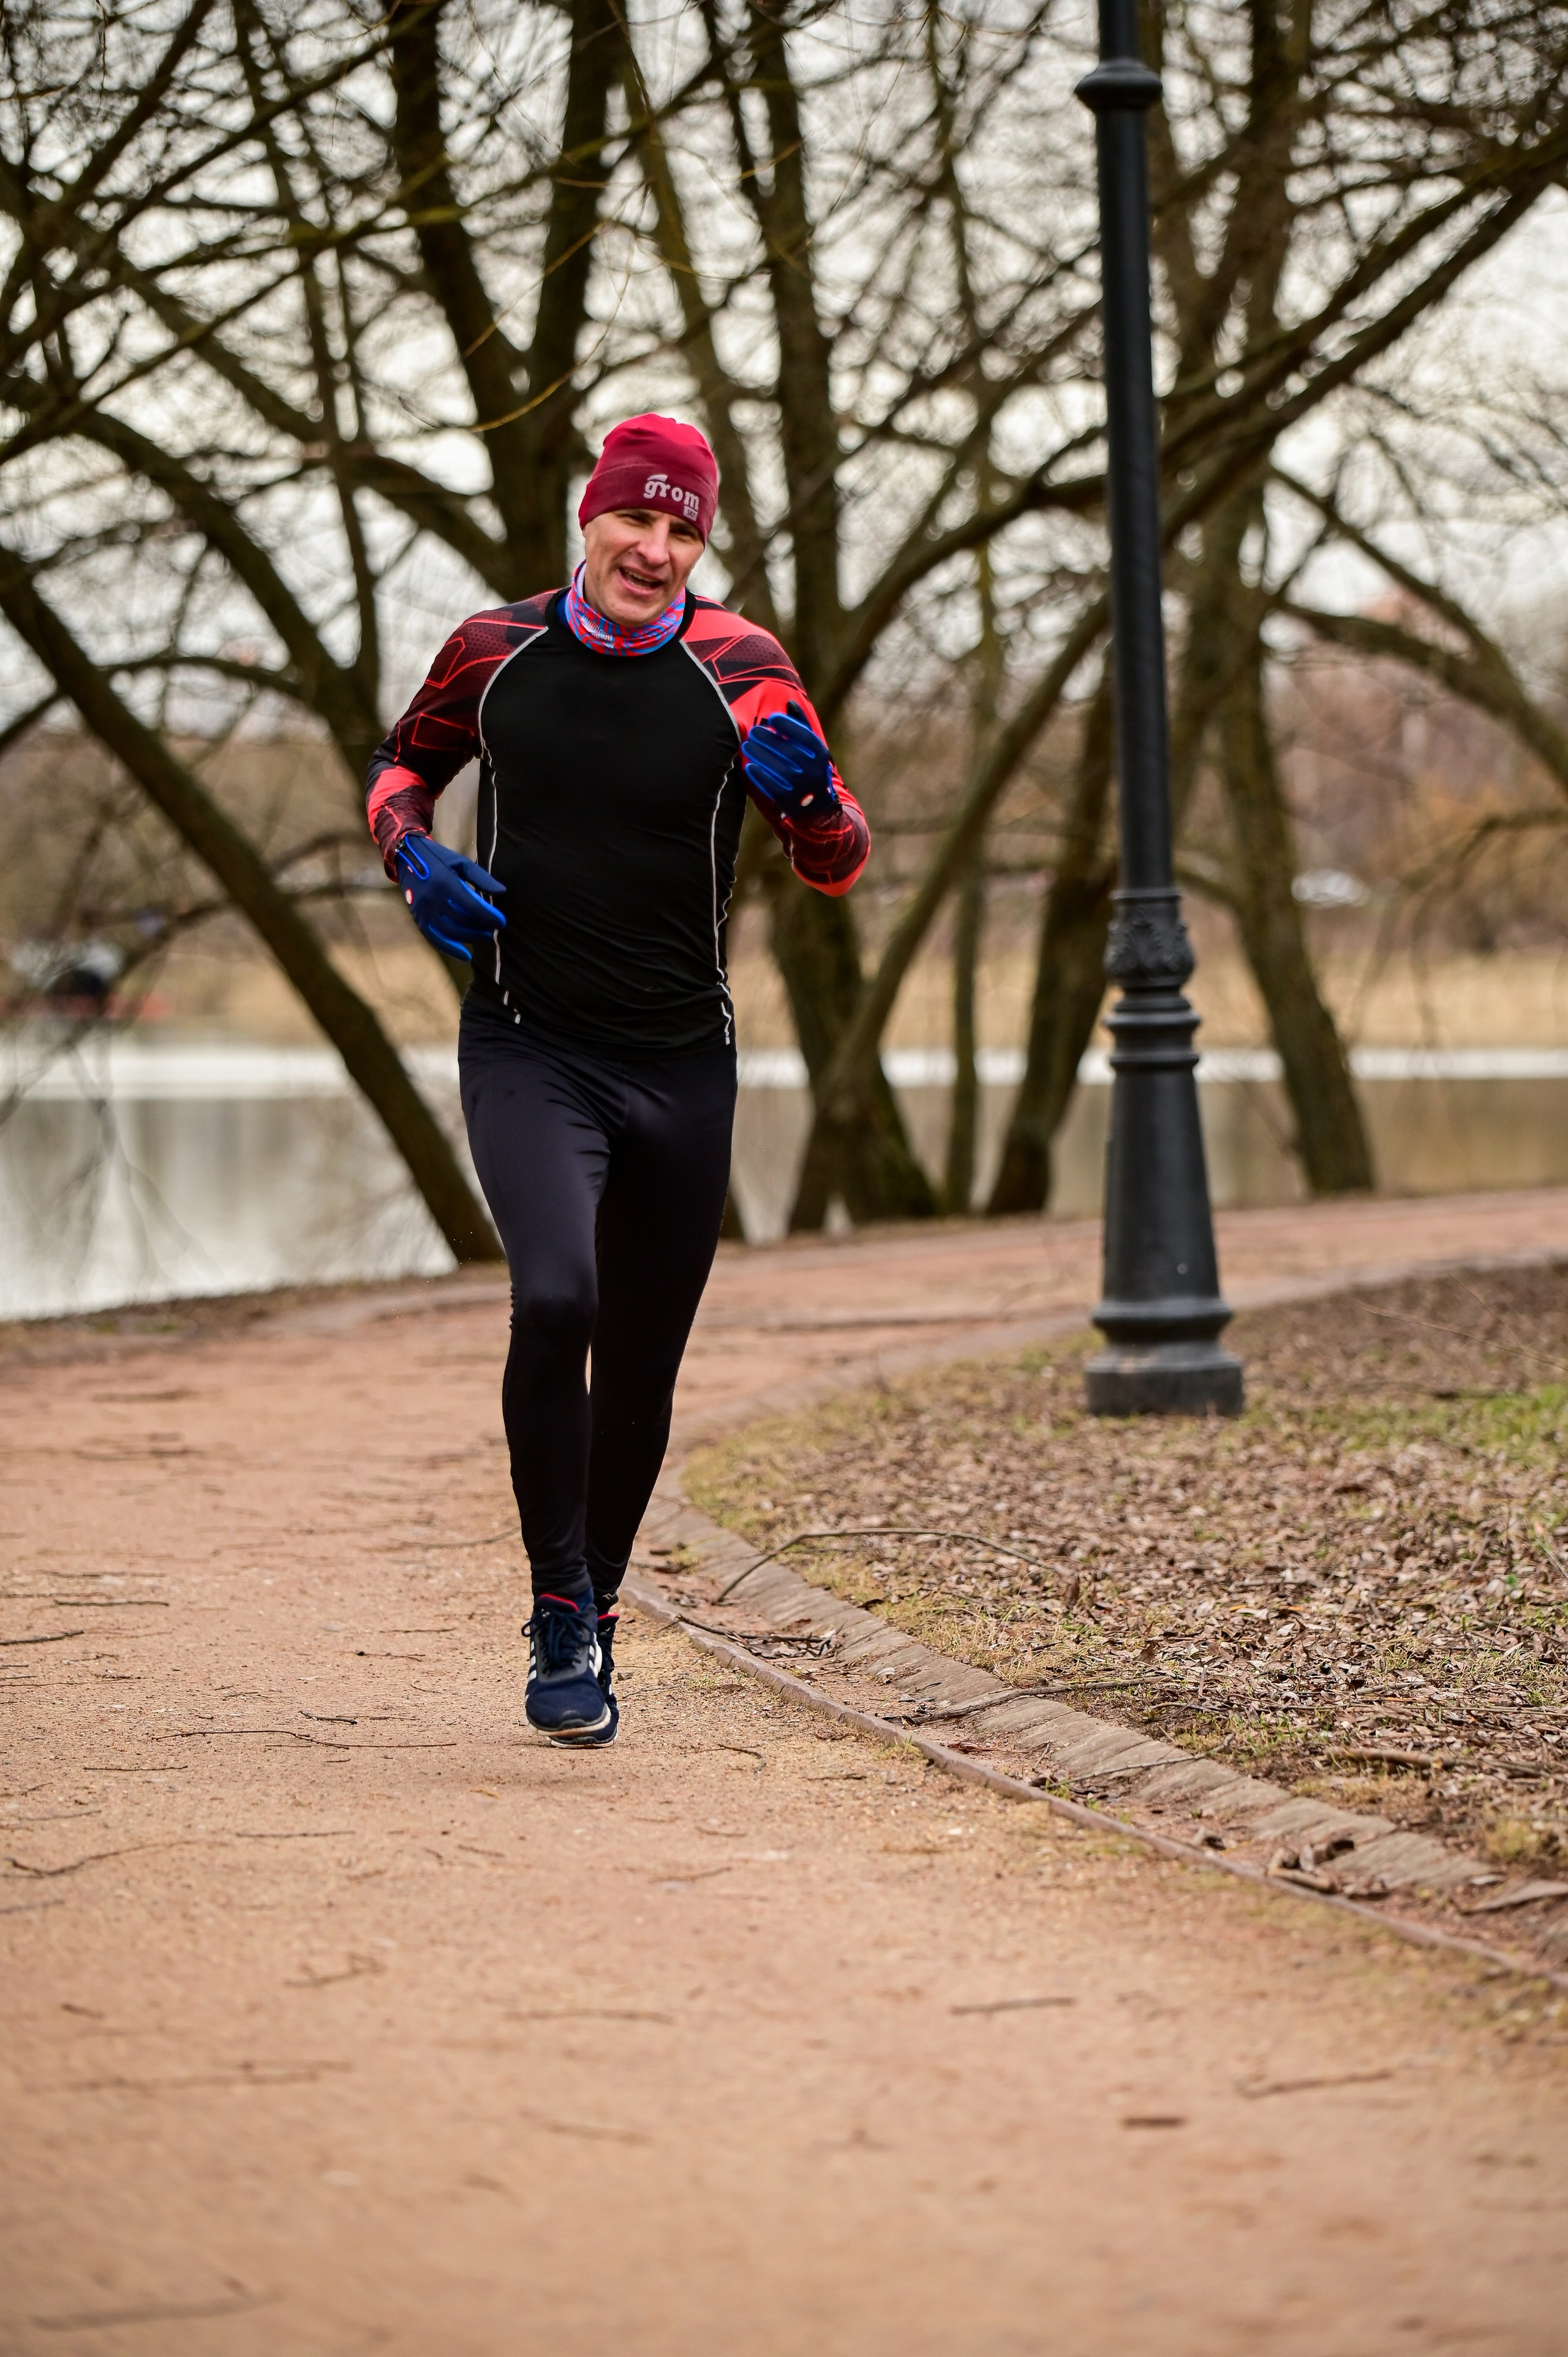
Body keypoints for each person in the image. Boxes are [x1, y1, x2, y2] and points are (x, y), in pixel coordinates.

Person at [365, 414, 870, 1746]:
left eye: (681, 528)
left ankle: (596, 1616)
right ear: (587, 518)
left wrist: (813, 802)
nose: (653, 548)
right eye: (633, 519)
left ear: (701, 540)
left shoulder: (744, 667)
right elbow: (400, 770)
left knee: (641, 1363)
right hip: (531, 1042)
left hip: (681, 1068)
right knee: (556, 1293)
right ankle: (551, 1600)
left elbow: (836, 863)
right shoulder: (493, 649)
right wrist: (410, 859)